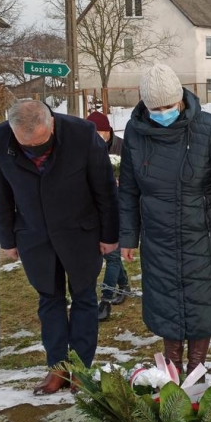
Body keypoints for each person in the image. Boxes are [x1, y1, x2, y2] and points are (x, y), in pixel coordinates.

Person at [119, 64, 211, 376]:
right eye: (155, 108)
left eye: (169, 106)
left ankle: (196, 372)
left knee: (202, 304)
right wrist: (127, 238)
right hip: (158, 237)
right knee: (166, 304)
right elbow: (129, 190)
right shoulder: (135, 133)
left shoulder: (210, 128)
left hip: (203, 234)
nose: (163, 113)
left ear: (181, 100)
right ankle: (172, 372)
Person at [0, 100, 119, 394]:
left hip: (81, 233)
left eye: (40, 143)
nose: (34, 150)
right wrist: (7, 238)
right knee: (49, 301)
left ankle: (81, 370)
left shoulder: (82, 134)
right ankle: (57, 368)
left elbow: (105, 189)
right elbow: (0, 190)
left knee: (84, 298)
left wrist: (110, 235)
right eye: (26, 145)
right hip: (34, 236)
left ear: (52, 124)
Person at [86, 109, 130, 310]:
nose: (96, 138)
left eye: (98, 133)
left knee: (112, 255)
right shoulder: (85, 149)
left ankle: (106, 299)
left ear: (107, 131)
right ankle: (124, 285)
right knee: (111, 254)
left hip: (120, 207)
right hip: (97, 208)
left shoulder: (122, 147)